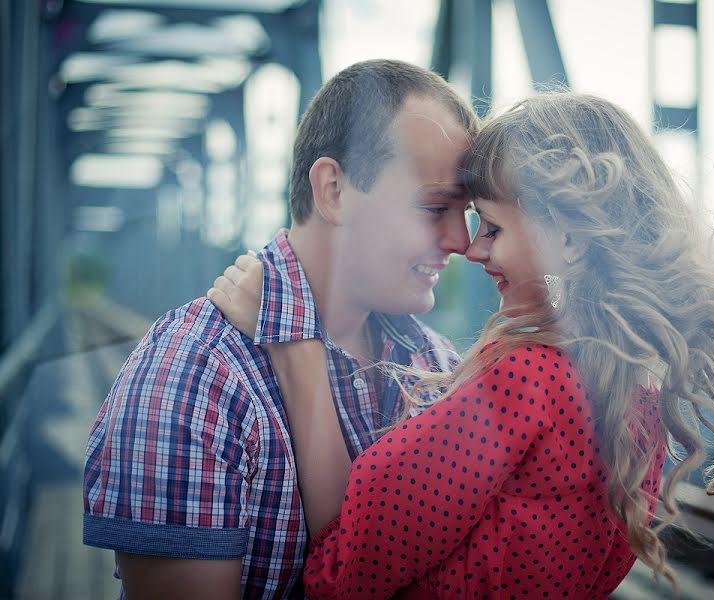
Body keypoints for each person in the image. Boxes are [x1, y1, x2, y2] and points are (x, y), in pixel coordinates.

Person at [209, 91, 714, 599]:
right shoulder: (630, 392)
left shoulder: (524, 387)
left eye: (492, 228)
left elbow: (341, 578)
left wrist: (296, 351)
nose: (471, 248)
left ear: (567, 239)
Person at [82, 59, 478, 599]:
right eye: (434, 206)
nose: (462, 241)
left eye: (469, 213)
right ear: (333, 189)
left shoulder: (437, 367)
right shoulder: (193, 373)